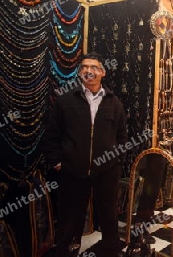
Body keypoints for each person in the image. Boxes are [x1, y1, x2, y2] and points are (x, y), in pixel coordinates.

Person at [43, 53, 127, 257]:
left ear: (103, 72)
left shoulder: (114, 103)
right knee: (70, 219)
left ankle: (109, 252)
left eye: (95, 67)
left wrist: (116, 162)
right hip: (73, 171)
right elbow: (51, 135)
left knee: (108, 218)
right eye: (85, 67)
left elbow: (122, 136)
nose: (89, 71)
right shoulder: (65, 100)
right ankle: (66, 252)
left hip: (106, 171)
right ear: (80, 72)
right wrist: (57, 162)